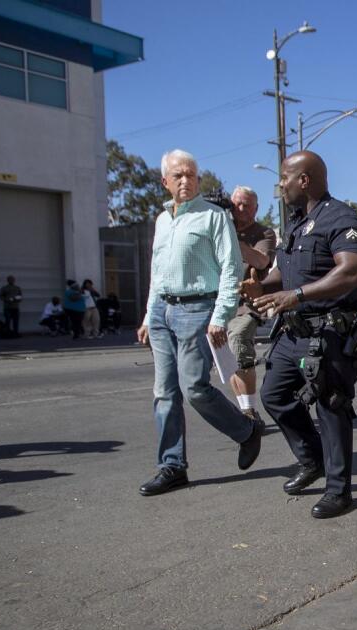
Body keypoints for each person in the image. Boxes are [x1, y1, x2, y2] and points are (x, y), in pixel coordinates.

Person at [245, 150, 357, 520]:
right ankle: (312, 459)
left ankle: (338, 490)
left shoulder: (342, 219)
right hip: (293, 331)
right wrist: (260, 287)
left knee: (331, 406)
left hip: (329, 331)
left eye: (284, 177)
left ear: (304, 180)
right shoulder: (297, 223)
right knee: (274, 394)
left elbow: (351, 272)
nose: (280, 184)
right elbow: (287, 273)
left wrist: (295, 296)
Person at [136, 149, 265, 498]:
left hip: (197, 312)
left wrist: (220, 315)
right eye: (177, 175)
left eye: (191, 174)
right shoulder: (163, 221)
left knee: (194, 387)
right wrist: (150, 315)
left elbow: (231, 267)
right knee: (164, 392)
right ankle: (172, 466)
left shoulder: (213, 217)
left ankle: (246, 431)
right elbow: (157, 273)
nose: (185, 180)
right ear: (165, 182)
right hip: (163, 312)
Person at [225, 186, 277, 422]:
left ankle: (249, 410)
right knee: (224, 357)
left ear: (255, 208)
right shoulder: (219, 227)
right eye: (237, 204)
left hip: (248, 302)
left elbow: (262, 260)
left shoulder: (264, 233)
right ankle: (245, 408)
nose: (241, 208)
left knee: (238, 340)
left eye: (247, 204)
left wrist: (234, 240)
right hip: (219, 300)